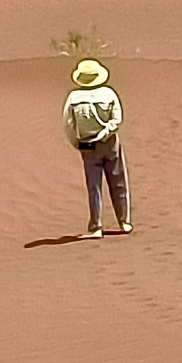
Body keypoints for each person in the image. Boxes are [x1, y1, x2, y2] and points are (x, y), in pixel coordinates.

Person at [63, 59, 131, 239]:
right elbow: (117, 118)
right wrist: (106, 133)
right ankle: (124, 221)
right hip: (109, 144)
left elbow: (68, 124)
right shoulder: (108, 94)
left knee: (94, 186)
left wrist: (76, 142)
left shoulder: (73, 98)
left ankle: (96, 226)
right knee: (118, 181)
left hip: (87, 146)